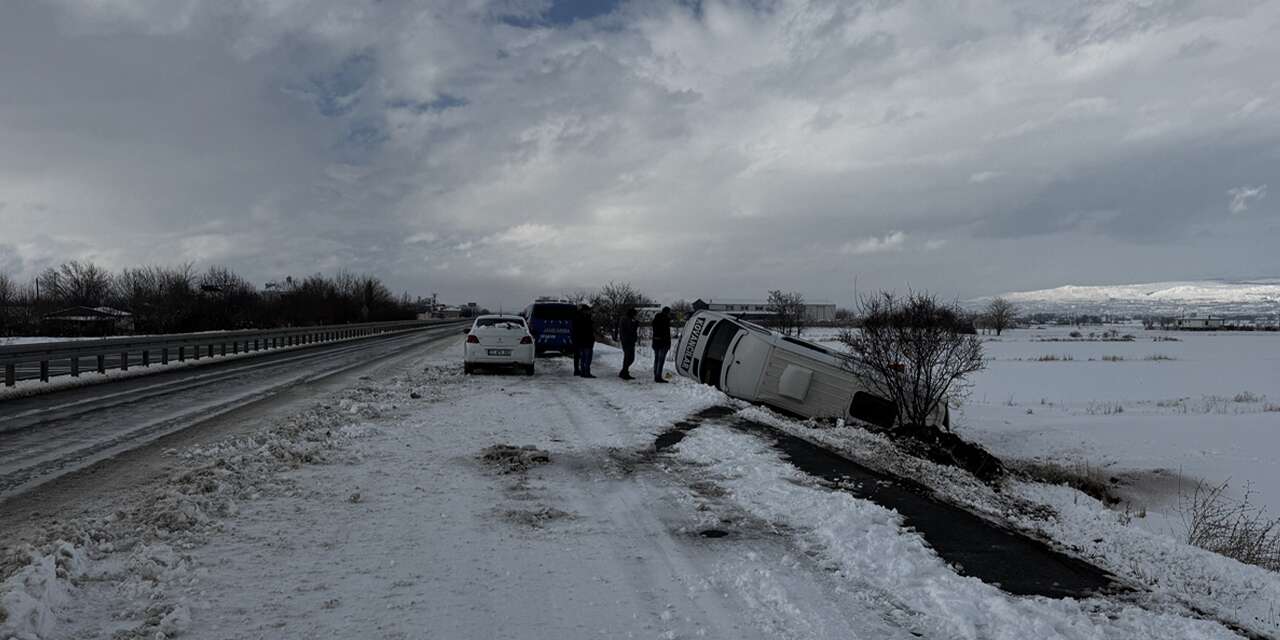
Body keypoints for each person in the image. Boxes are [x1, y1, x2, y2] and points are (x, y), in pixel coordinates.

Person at [573, 304, 595, 378]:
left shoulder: (577, 317)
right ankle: (586, 372)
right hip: (586, 340)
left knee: (583, 357)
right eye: (587, 310)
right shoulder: (584, 319)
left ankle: (583, 372)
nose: (589, 312)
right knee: (587, 358)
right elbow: (588, 330)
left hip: (581, 341)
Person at [651, 306, 671, 383]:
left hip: (655, 342)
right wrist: (668, 344)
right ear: (667, 312)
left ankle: (656, 374)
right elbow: (666, 334)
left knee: (656, 359)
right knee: (661, 360)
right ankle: (658, 377)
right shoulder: (665, 320)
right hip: (663, 343)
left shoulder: (656, 320)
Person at [618, 307, 638, 380]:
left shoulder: (626, 319)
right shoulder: (626, 319)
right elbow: (630, 329)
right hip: (627, 341)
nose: (636, 316)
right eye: (635, 314)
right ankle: (624, 372)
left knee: (629, 358)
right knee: (629, 358)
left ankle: (624, 371)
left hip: (628, 341)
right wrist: (635, 323)